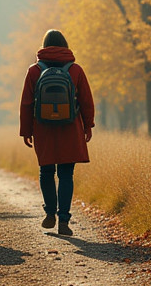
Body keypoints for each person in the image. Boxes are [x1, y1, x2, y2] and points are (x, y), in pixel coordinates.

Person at [20, 29, 95, 236]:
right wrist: (88, 126)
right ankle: (64, 219)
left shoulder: (34, 70)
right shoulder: (76, 70)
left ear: (44, 46)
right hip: (70, 128)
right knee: (66, 175)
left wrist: (26, 130)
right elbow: (86, 101)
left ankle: (50, 213)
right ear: (65, 45)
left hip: (43, 128)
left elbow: (27, 103)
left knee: (46, 172)